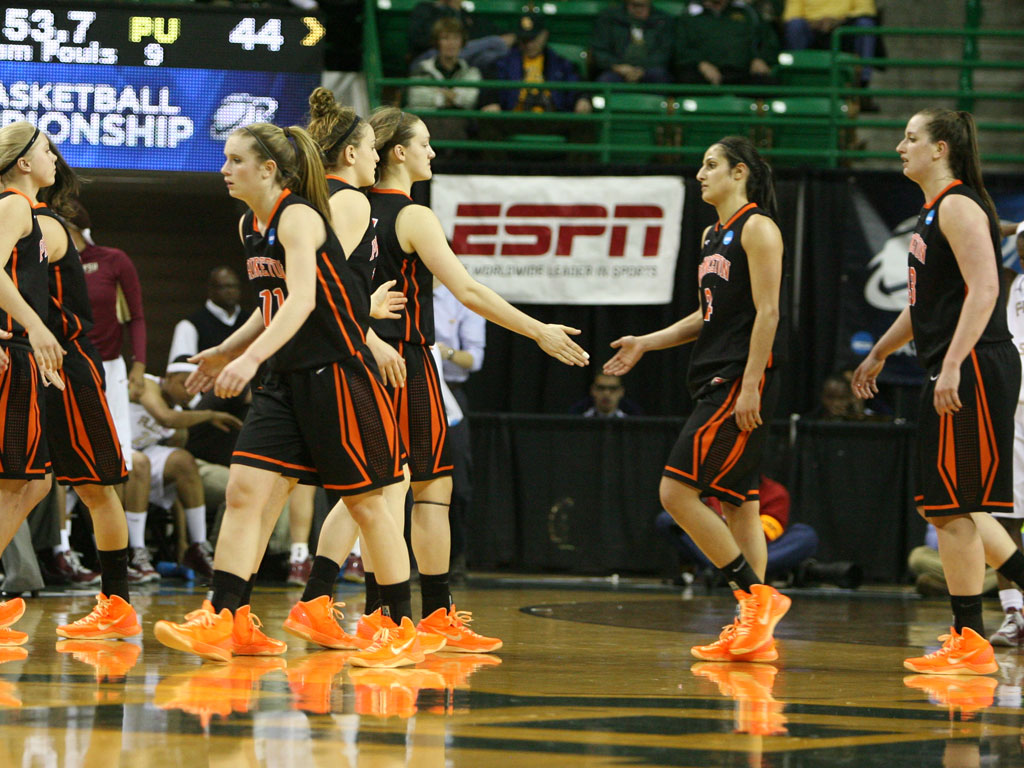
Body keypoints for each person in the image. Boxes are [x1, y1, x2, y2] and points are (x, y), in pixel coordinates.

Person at [153, 120, 421, 668]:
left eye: (235, 160)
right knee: (244, 493)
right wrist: (225, 350)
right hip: (285, 381)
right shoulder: (250, 225)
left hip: (336, 373)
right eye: (226, 159)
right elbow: (269, 303)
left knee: (368, 505)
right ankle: (226, 617)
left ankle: (399, 628)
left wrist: (249, 360)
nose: (224, 170)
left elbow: (301, 301)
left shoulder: (298, 216)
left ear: (269, 169)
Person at [368, 106, 589, 650]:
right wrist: (537, 330)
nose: (432, 151)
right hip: (407, 359)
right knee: (429, 491)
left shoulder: (348, 206)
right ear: (398, 151)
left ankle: (378, 613)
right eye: (424, 143)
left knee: (372, 493)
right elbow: (467, 291)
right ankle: (431, 615)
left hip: (361, 357)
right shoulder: (412, 215)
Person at [852, 109, 1024, 675]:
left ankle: (968, 638)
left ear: (941, 148)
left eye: (910, 138)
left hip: (973, 364)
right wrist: (880, 351)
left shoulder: (958, 205)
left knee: (956, 507)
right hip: (956, 364)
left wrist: (952, 363)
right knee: (950, 504)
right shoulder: (933, 212)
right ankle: (969, 636)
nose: (900, 146)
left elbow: (985, 289)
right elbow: (924, 304)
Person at [604, 135, 788, 663]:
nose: (701, 173)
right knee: (739, 504)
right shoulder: (712, 235)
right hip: (713, 375)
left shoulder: (758, 228)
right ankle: (754, 632)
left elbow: (769, 312)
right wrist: (647, 342)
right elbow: (706, 316)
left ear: (739, 173)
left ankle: (757, 599)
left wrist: (750, 382)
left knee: (676, 493)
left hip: (739, 379)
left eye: (711, 165)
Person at [30, 138, 143, 640]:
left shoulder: (47, 226)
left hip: (70, 363)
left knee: (96, 485)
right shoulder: (21, 216)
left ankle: (117, 601)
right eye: (46, 152)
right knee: (25, 483)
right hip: (35, 361)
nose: (54, 160)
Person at [0, 122, 66, 646]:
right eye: (47, 149)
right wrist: (36, 327)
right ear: (24, 162)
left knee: (37, 482)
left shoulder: (29, 211)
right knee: (14, 481)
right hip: (14, 351)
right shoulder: (14, 205)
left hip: (24, 353)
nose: (54, 158)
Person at [69, 202, 151, 579]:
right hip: (70, 367)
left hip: (112, 368)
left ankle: (127, 554)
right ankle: (64, 551)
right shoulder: (51, 264)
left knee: (117, 463)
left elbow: (136, 316)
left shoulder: (113, 260)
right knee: (69, 464)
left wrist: (139, 366)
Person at [129, 374, 241, 579]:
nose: (189, 393)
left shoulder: (180, 420)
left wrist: (182, 540)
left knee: (184, 462)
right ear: (169, 377)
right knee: (140, 463)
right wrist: (210, 415)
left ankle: (198, 545)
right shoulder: (147, 383)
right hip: (113, 449)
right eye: (185, 384)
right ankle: (135, 550)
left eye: (195, 388)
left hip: (142, 457)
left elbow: (174, 491)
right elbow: (166, 418)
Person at [432, 276, 485, 578]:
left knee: (457, 480)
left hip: (449, 391)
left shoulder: (461, 298)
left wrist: (445, 352)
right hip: (405, 385)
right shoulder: (400, 289)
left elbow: (475, 359)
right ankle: (405, 558)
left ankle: (456, 555)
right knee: (400, 477)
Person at [989, 238, 1024, 645]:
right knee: (1004, 517)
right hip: (1012, 410)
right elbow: (981, 229)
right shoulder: (1008, 281)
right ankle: (1014, 613)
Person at [480, 13, 592, 116]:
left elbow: (577, 85)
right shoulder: (504, 63)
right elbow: (491, 88)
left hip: (551, 119)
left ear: (545, 35)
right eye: (524, 39)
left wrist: (582, 99)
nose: (529, 45)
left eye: (533, 39)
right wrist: (491, 102)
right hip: (515, 119)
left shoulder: (560, 64)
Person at [782, 0, 879, 93]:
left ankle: (863, 83)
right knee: (795, 25)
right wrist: (816, 23)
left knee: (866, 23)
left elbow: (866, 9)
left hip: (844, 26)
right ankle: (795, 79)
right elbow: (791, 14)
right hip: (811, 28)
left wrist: (838, 21)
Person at [675, 0, 777, 86]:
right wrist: (701, 63)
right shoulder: (689, 15)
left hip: (744, 72)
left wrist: (759, 58)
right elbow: (680, 48)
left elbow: (768, 40)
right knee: (686, 80)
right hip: (702, 74)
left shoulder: (748, 12)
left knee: (768, 82)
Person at [407, 0, 514, 72]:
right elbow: (418, 39)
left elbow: (475, 34)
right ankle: (496, 41)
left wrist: (456, 10)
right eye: (445, 38)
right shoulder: (425, 9)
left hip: (462, 57)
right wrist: (450, 9)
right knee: (495, 43)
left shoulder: (464, 15)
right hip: (429, 57)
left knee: (489, 56)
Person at [591, 0, 675, 84]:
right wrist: (617, 67)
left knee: (660, 76)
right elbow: (599, 50)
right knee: (606, 80)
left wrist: (641, 70)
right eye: (634, 5)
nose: (638, 10)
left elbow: (665, 52)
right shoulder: (609, 18)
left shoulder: (663, 20)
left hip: (650, 69)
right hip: (617, 70)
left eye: (642, 6)